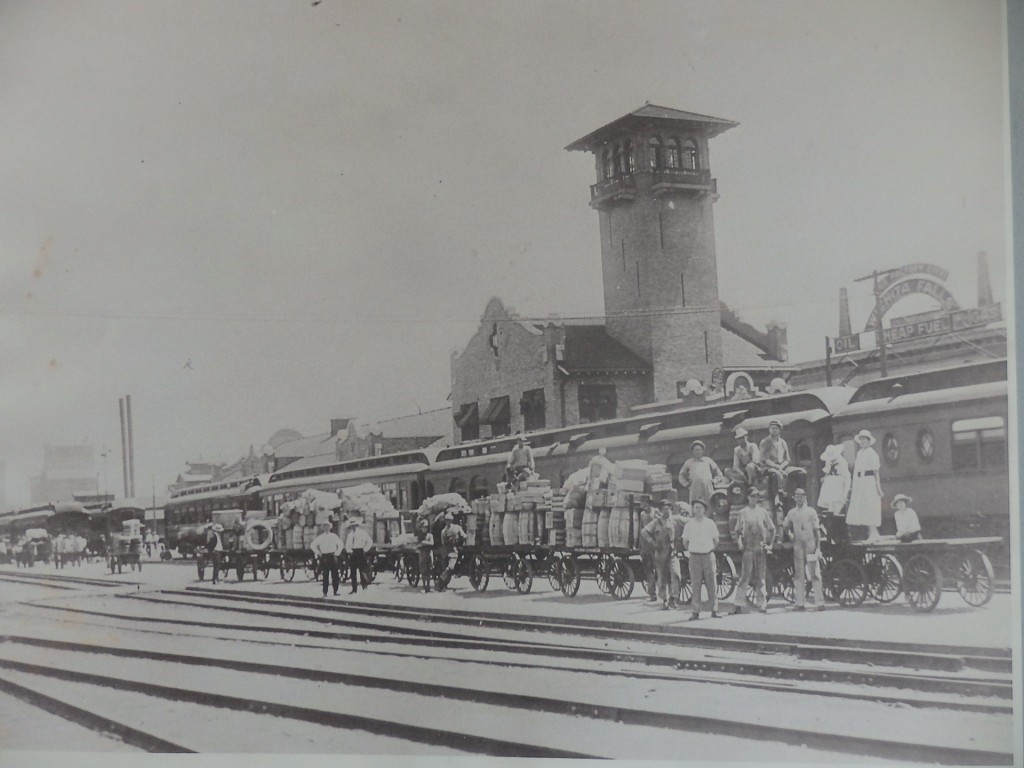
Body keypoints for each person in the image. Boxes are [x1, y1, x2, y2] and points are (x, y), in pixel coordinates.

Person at [732, 488, 776, 613]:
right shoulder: (743, 512)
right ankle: (738, 603)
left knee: (761, 577)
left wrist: (770, 545)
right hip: (748, 548)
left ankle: (761, 603)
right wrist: (739, 543)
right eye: (752, 496)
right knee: (745, 576)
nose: (754, 499)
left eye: (756, 496)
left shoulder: (762, 512)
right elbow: (737, 531)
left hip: (760, 548)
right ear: (748, 498)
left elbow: (772, 529)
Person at [783, 488, 825, 611]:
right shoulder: (792, 513)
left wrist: (818, 548)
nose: (799, 498)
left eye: (801, 496)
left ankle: (820, 603)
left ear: (805, 497)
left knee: (815, 574)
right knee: (799, 574)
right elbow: (786, 526)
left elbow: (817, 530)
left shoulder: (811, 512)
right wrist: (790, 534)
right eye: (797, 496)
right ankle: (800, 602)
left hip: (810, 544)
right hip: (798, 545)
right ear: (794, 498)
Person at [682, 499, 721, 620]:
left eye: (700, 507)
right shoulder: (689, 524)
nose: (698, 510)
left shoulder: (710, 523)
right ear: (693, 509)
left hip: (708, 555)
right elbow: (685, 542)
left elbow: (716, 540)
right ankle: (695, 611)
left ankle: (714, 610)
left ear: (704, 510)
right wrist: (692, 550)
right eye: (696, 507)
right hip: (694, 556)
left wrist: (709, 550)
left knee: (712, 583)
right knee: (695, 584)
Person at [847, 429, 883, 542]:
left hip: (869, 482)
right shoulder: (859, 453)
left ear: (868, 441)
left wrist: (878, 487)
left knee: (870, 507)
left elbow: (876, 471)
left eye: (864, 439)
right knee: (863, 508)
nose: (862, 441)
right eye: (861, 439)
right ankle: (873, 534)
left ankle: (873, 534)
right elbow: (857, 470)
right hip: (860, 483)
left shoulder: (872, 453)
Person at [641, 501, 676, 610]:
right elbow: (644, 532)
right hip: (660, 553)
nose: (667, 511)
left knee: (675, 574)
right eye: (665, 509)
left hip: (672, 552)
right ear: (661, 511)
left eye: (669, 508)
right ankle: (664, 600)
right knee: (662, 577)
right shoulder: (656, 522)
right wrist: (653, 543)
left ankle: (673, 598)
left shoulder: (674, 520)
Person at [677, 440, 722, 509]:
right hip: (695, 488)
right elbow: (681, 475)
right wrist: (685, 483)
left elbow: (718, 473)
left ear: (702, 451)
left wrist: (714, 481)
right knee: (695, 505)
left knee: (709, 504)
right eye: (695, 450)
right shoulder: (689, 462)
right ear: (693, 452)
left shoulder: (708, 460)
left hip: (707, 487)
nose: (698, 452)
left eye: (699, 450)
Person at [758, 420, 791, 503]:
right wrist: (778, 468)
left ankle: (797, 494)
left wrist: (781, 467)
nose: (774, 430)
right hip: (767, 468)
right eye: (772, 428)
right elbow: (765, 459)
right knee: (775, 474)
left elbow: (787, 459)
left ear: (780, 430)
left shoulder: (783, 442)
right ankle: (777, 497)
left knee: (800, 472)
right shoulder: (765, 442)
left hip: (781, 467)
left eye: (776, 428)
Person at [310, 522, 343, 596]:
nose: (326, 528)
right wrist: (318, 553)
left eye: (328, 526)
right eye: (325, 526)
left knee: (335, 575)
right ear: (323, 528)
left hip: (332, 556)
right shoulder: (320, 537)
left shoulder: (334, 536)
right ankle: (325, 592)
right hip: (324, 557)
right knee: (325, 575)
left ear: (330, 527)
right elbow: (312, 545)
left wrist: (337, 553)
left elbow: (340, 544)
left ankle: (335, 591)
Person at [816, 443, 850, 516]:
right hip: (829, 483)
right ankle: (831, 515)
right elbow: (827, 471)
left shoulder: (842, 461)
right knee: (829, 501)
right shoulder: (829, 462)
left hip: (838, 482)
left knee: (837, 501)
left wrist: (845, 487)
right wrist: (825, 477)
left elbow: (845, 474)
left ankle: (836, 515)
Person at [343, 517, 374, 593]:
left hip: (360, 551)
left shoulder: (362, 533)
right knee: (353, 572)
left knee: (362, 570)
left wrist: (365, 549)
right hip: (353, 553)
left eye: (355, 525)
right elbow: (347, 545)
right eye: (352, 526)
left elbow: (369, 541)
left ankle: (364, 587)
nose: (353, 527)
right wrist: (349, 551)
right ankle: (354, 589)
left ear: (357, 525)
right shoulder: (350, 535)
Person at [437, 512, 466, 591]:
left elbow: (463, 535)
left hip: (454, 550)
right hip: (446, 551)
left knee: (450, 567)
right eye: (446, 520)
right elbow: (443, 543)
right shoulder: (443, 531)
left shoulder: (457, 528)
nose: (448, 522)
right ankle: (443, 585)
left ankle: (441, 578)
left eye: (449, 520)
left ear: (452, 520)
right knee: (446, 568)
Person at [414, 517, 434, 592]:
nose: (425, 529)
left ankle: (428, 586)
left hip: (429, 554)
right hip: (422, 555)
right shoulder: (420, 536)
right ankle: (424, 586)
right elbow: (418, 545)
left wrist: (424, 543)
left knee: (429, 570)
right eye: (423, 527)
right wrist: (424, 543)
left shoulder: (430, 535)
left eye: (426, 527)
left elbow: (432, 543)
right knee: (423, 571)